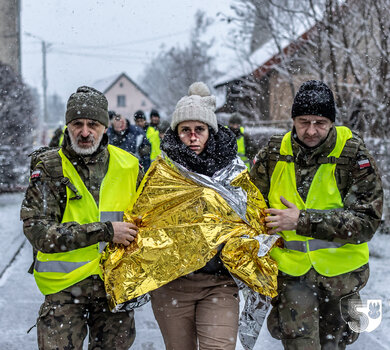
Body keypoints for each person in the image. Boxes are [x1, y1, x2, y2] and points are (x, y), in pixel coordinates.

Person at [250, 80, 383, 349]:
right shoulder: (273, 154)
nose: (311, 131)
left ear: (332, 122)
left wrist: (301, 221)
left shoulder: (353, 155)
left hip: (344, 277)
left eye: (320, 122)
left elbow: (368, 221)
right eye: (303, 121)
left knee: (337, 343)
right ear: (293, 120)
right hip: (291, 274)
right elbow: (248, 208)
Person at [21, 86, 143, 349]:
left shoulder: (130, 166)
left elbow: (154, 221)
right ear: (67, 125)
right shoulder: (50, 168)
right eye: (77, 124)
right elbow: (39, 232)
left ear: (105, 128)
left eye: (93, 124)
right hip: (64, 292)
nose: (85, 132)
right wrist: (105, 231)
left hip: (114, 289)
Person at [150, 82, 243, 350]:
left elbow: (249, 219)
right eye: (185, 130)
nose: (192, 137)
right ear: (176, 133)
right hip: (173, 284)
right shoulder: (161, 173)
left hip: (219, 283)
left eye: (199, 129)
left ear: (210, 132)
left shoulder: (232, 172)